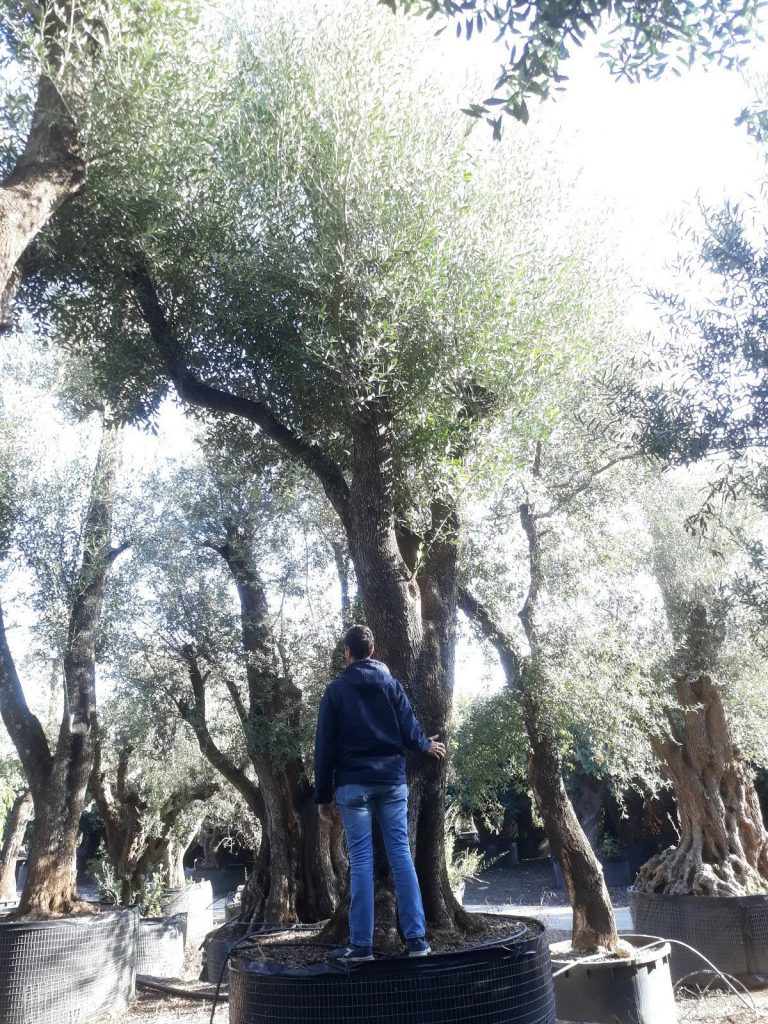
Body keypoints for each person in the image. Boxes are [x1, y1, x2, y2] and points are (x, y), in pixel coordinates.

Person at [314, 624, 446, 961]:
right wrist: (425, 745)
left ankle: (361, 945)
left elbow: (324, 747)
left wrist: (322, 797)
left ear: (348, 652)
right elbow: (408, 726)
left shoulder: (335, 691)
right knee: (401, 854)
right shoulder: (391, 684)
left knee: (361, 861)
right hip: (391, 782)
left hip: (352, 785)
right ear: (371, 651)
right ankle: (417, 941)